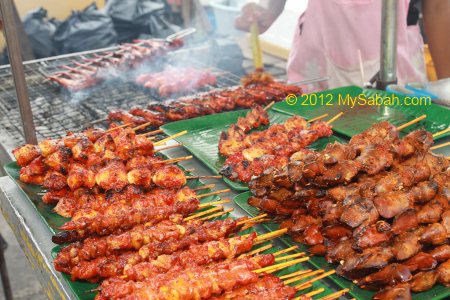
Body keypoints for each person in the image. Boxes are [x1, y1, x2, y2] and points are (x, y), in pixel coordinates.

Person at [236, 0, 450, 91]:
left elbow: (439, 6)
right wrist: (271, 9)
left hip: (392, 58)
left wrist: (447, 87)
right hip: (317, 53)